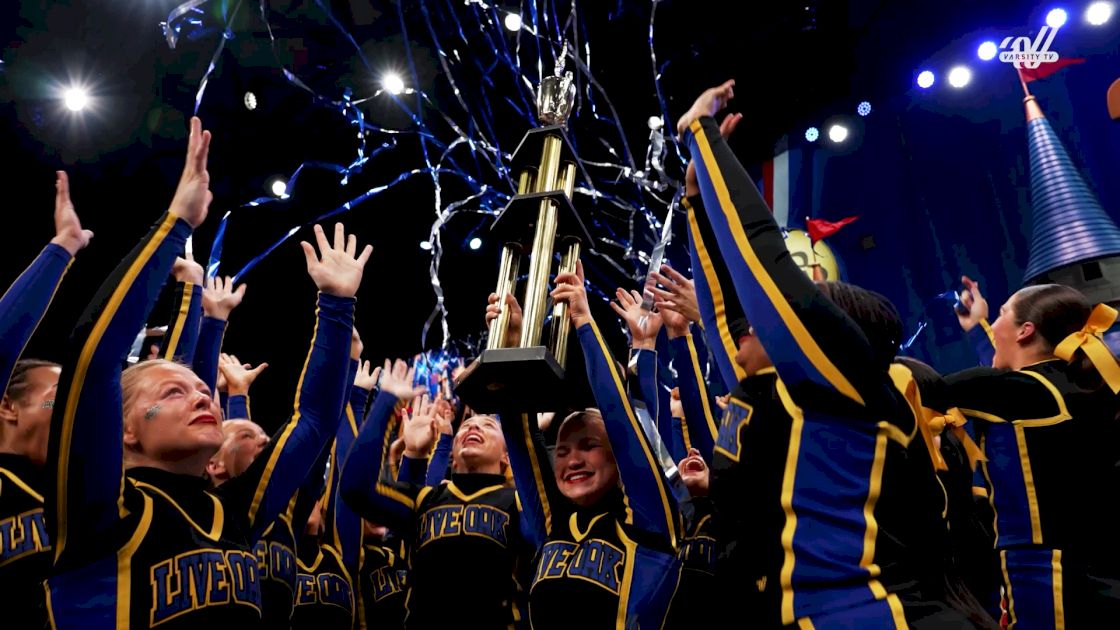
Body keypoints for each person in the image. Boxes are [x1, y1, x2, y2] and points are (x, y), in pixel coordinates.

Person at [44, 116, 372, 629]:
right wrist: (177, 224)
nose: (204, 397)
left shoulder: (235, 512)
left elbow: (312, 421)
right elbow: (94, 358)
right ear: (124, 427)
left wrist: (336, 303)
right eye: (174, 391)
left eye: (203, 389)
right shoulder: (96, 506)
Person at [678, 81, 986, 626]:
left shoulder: (852, 383)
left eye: (785, 314)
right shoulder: (774, 391)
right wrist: (699, 202)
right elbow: (723, 313)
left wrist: (706, 138)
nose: (756, 322)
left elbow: (762, 261)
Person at [495, 261, 682, 629]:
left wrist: (584, 321)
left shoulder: (646, 518)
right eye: (562, 451)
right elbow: (520, 439)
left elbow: (623, 422)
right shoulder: (553, 522)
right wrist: (511, 345)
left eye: (588, 446)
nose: (572, 460)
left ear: (617, 457)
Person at [949, 281, 1120, 627]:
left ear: (1026, 330)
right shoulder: (1082, 385)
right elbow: (1011, 387)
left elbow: (909, 387)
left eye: (1001, 315)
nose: (994, 324)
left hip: (1046, 577)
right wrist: (981, 329)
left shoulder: (1021, 393)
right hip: (1103, 564)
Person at [339, 359, 526, 630]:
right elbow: (355, 489)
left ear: (507, 456)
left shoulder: (518, 503)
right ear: (452, 452)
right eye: (466, 427)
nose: (473, 427)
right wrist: (386, 404)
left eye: (487, 426)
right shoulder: (424, 500)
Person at [0, 171, 92, 627]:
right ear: (7, 406)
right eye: (57, 395)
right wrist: (61, 249)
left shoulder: (84, 482)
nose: (70, 403)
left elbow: (153, 408)